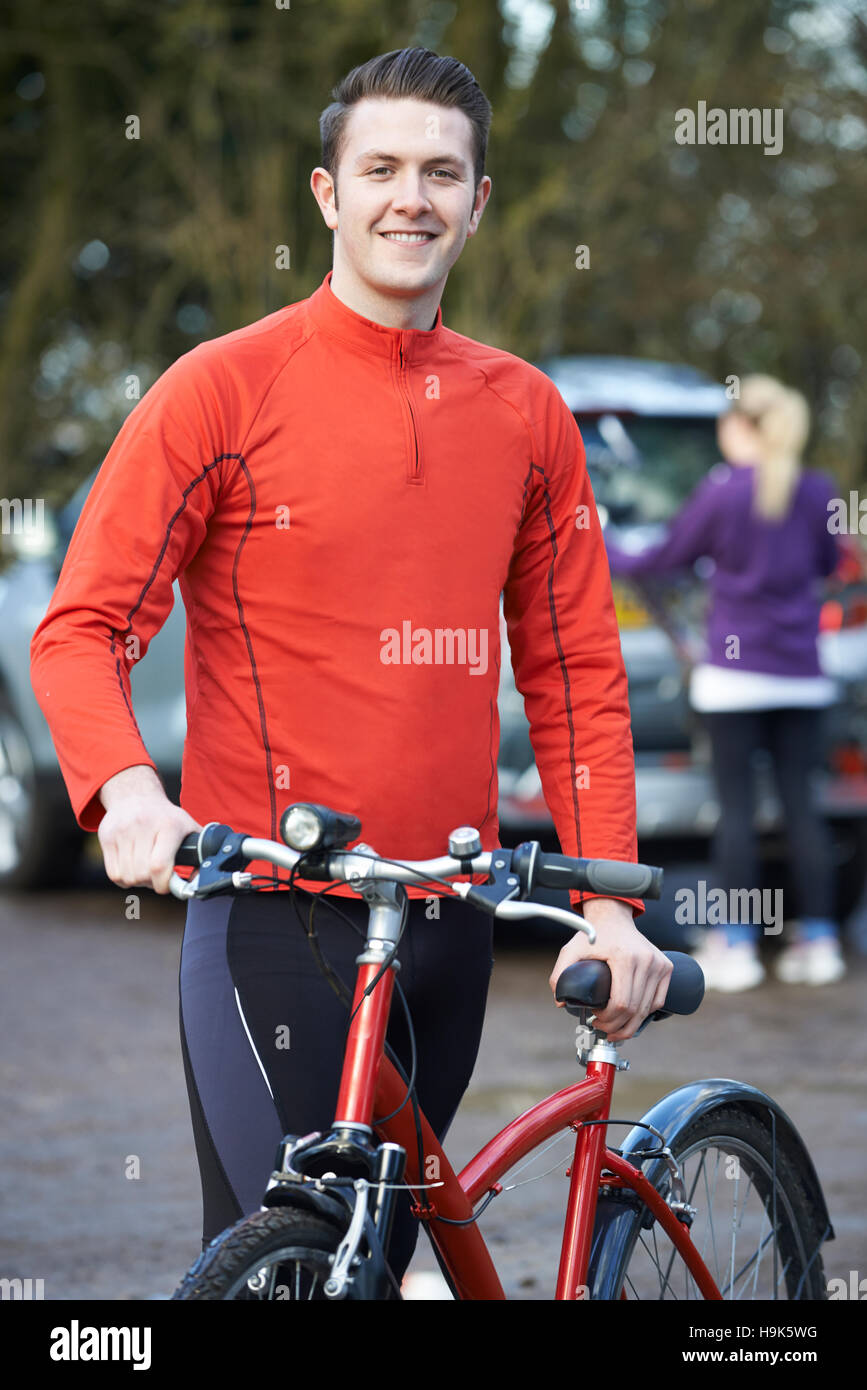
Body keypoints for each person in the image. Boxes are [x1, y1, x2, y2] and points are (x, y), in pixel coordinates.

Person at [29, 47, 671, 1288]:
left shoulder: (528, 412)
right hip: (271, 919)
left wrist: (608, 905)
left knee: (390, 1261)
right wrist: (125, 791)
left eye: (442, 172)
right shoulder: (219, 387)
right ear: (328, 194)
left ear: (479, 201)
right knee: (287, 1259)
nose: (409, 198)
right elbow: (86, 627)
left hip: (449, 923)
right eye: (380, 168)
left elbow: (577, 671)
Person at [606, 375, 844, 992]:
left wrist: (597, 541)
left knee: (736, 811)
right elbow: (829, 564)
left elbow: (663, 558)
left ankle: (735, 946)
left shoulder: (723, 492)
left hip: (734, 679)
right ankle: (819, 943)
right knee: (802, 807)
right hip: (801, 677)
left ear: (741, 427)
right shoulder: (816, 491)